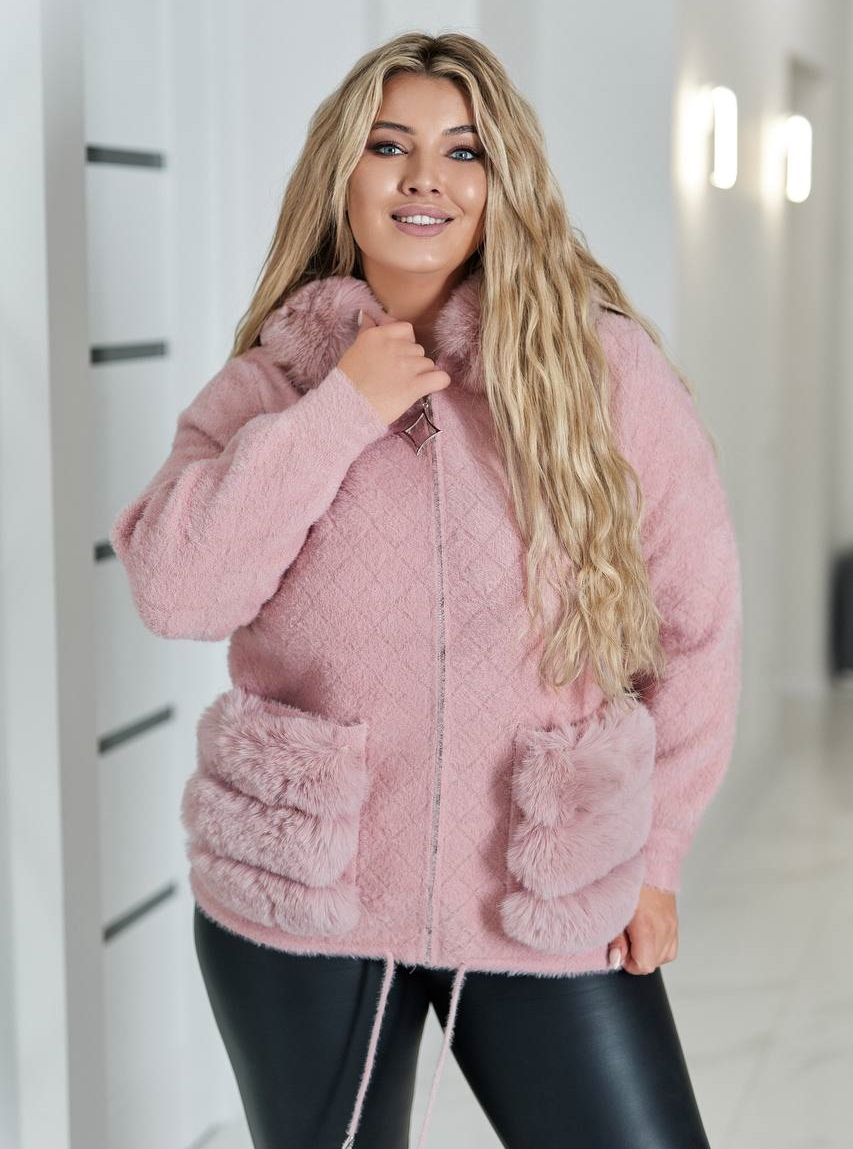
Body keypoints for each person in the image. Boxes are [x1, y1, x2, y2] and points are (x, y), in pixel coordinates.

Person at [110, 29, 742, 1149]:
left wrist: (656, 861)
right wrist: (340, 412)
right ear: (342, 173)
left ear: (503, 182)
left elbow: (696, 627)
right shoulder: (272, 384)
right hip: (307, 902)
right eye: (389, 144)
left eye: (463, 152)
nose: (424, 178)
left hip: (537, 886)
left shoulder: (600, 373)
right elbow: (176, 592)